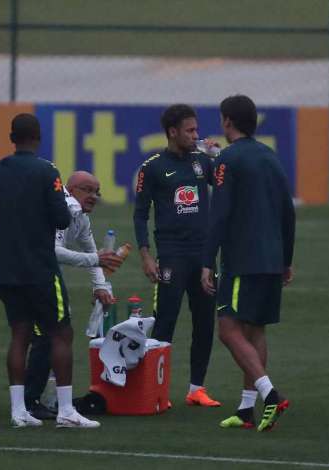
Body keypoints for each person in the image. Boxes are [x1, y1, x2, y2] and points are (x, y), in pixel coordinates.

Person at [0, 113, 98, 428]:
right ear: (39, 138)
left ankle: (19, 411)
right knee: (61, 333)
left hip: (7, 268)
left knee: (20, 335)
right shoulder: (48, 171)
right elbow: (62, 217)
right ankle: (65, 411)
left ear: (11, 137)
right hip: (40, 268)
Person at [201, 94, 296, 432]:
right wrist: (287, 260)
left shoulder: (229, 159)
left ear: (227, 121)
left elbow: (220, 213)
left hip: (243, 260)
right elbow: (288, 211)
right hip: (272, 259)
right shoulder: (270, 157)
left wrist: (207, 261)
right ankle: (246, 410)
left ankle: (270, 395)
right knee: (254, 329)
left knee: (228, 330)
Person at [133, 104, 221, 407]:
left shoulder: (202, 161)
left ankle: (197, 388)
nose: (196, 135)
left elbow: (225, 184)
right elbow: (140, 214)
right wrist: (146, 255)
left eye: (196, 129)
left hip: (204, 255)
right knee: (165, 321)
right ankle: (156, 391)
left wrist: (217, 156)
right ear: (173, 132)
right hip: (171, 254)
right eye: (190, 130)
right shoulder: (153, 166)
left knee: (205, 322)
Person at [24, 171, 123, 420]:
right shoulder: (65, 208)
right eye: (88, 190)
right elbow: (55, 250)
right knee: (52, 334)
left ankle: (31, 400)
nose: (94, 197)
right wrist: (95, 260)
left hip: (37, 272)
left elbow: (91, 253)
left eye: (97, 192)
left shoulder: (80, 218)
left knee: (44, 334)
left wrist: (101, 287)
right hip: (32, 273)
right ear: (71, 189)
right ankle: (32, 400)